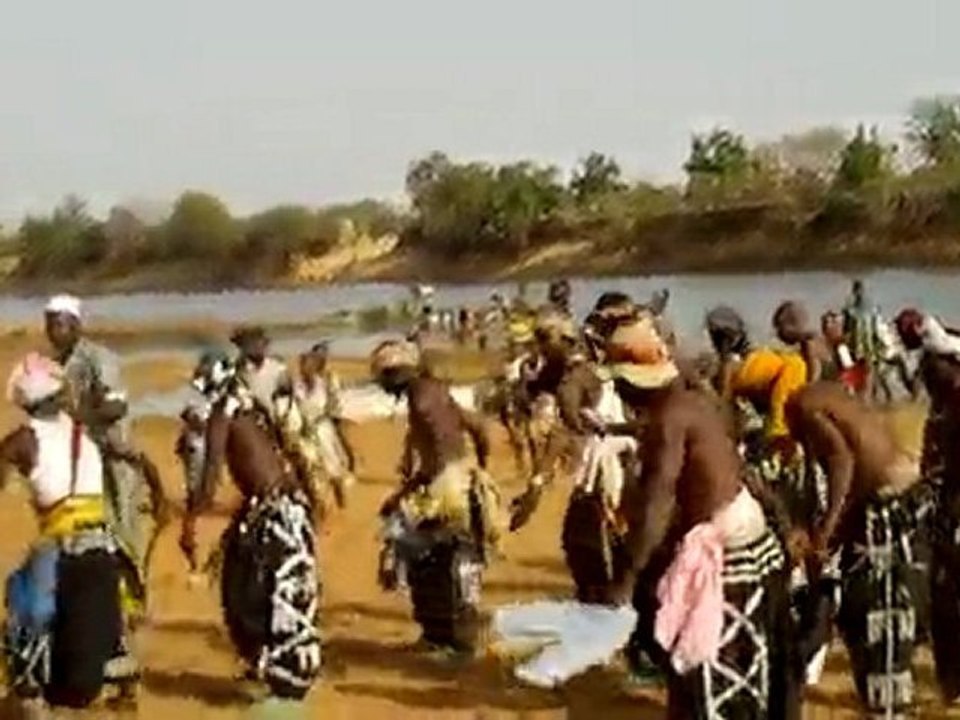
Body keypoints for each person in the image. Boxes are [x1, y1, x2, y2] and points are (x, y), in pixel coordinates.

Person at [604, 319, 799, 720]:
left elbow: (658, 505)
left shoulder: (669, 418)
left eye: (618, 382)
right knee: (741, 671)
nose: (616, 391)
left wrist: (626, 577)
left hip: (730, 555)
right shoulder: (693, 403)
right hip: (749, 543)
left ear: (634, 380)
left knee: (715, 679)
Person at [783, 380, 933, 717]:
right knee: (862, 610)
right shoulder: (821, 394)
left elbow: (841, 462)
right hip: (890, 495)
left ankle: (888, 711)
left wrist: (827, 529)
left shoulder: (803, 409)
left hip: (887, 503)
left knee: (881, 617)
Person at [180, 351, 321, 699]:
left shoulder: (222, 416)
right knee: (272, 590)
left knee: (246, 592)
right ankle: (271, 664)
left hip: (273, 516)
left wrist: (189, 522)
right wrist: (312, 500)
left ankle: (268, 666)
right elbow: (291, 453)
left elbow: (209, 479)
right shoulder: (254, 408)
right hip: (290, 509)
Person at [0, 354, 139, 707]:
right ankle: (122, 665)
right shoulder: (81, 431)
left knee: (23, 602)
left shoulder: (22, 440)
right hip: (105, 542)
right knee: (113, 607)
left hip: (62, 543)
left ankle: (29, 686)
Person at [372, 340, 503, 654]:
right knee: (445, 557)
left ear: (397, 373)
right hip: (460, 478)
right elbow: (478, 428)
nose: (383, 386)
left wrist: (417, 488)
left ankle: (449, 636)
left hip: (444, 486)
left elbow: (438, 452)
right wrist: (477, 468)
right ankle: (441, 633)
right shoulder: (435, 391)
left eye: (385, 377)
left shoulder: (421, 398)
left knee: (416, 549)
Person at [44, 295, 166, 608]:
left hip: (114, 456)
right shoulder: (58, 365)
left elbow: (116, 405)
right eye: (50, 324)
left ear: (76, 326)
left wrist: (80, 417)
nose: (53, 332)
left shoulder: (99, 359)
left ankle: (133, 603)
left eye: (60, 324)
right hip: (80, 458)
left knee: (123, 528)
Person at [895, 308, 960, 702]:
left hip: (953, 510)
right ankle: (951, 682)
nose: (930, 381)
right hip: (944, 510)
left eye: (938, 374)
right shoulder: (943, 405)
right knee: (944, 596)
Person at [294, 342, 356, 510]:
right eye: (302, 366)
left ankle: (342, 503)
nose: (304, 369)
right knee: (308, 469)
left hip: (323, 429)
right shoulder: (296, 387)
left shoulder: (325, 383)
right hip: (305, 431)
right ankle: (316, 505)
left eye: (307, 365)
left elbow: (333, 404)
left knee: (333, 467)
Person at [772, 301, 835, 384]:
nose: (778, 334)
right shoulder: (817, 339)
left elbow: (813, 380)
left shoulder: (809, 344)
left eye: (780, 328)